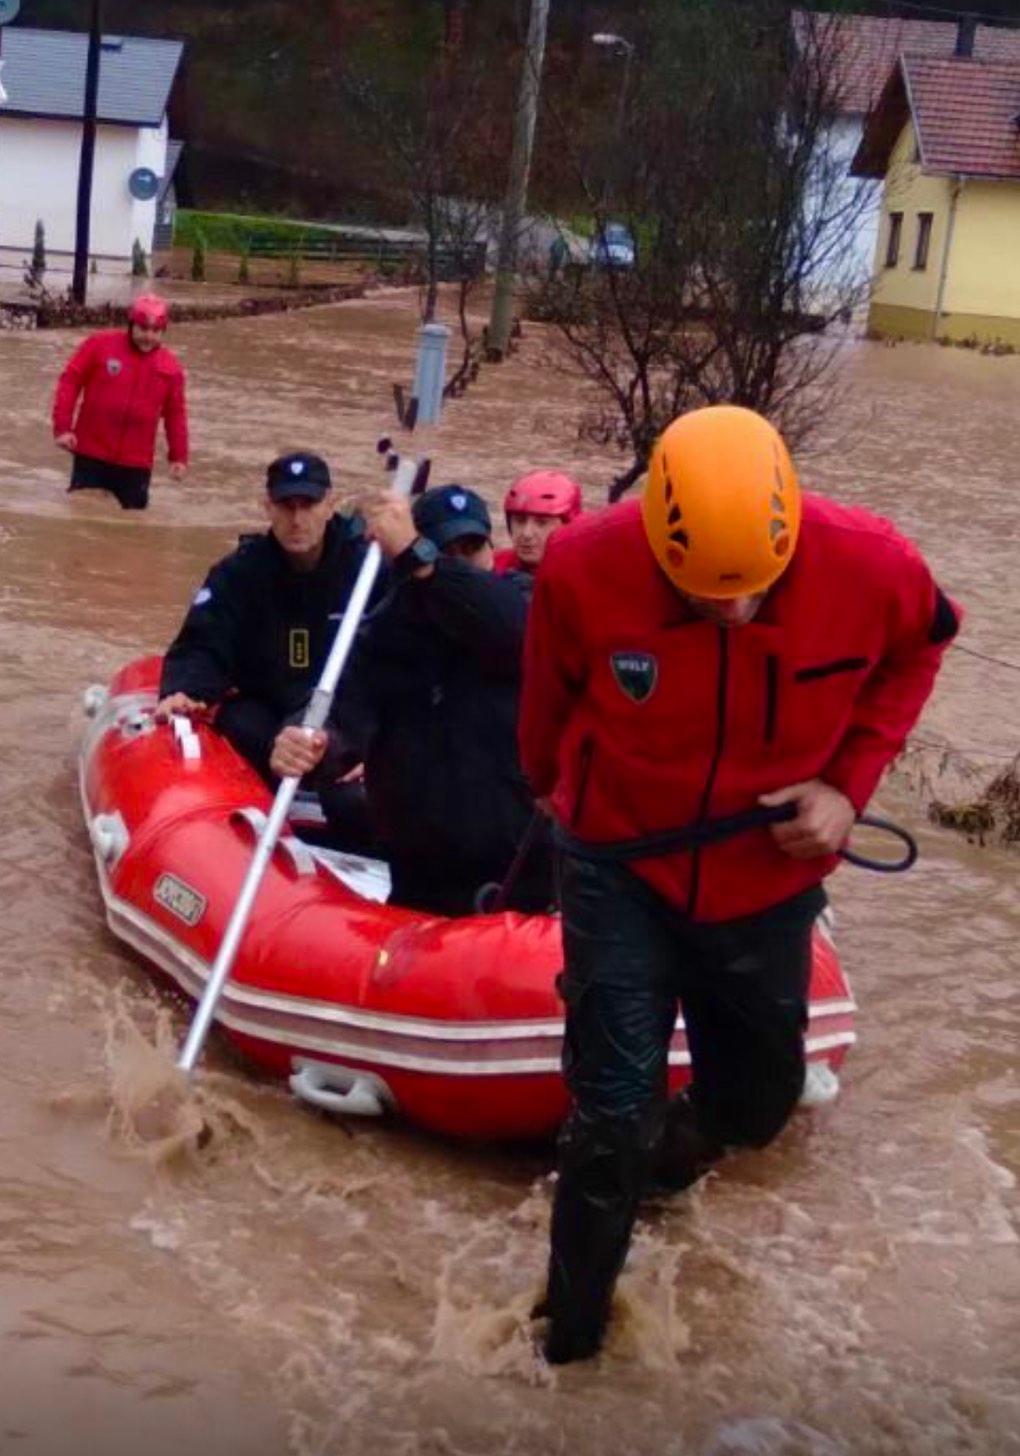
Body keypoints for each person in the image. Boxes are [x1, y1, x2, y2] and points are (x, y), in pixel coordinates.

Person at [519, 404, 960, 1365]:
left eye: (752, 595)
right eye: (705, 598)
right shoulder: (583, 566)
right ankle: (569, 1348)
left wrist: (849, 787)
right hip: (621, 862)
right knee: (608, 1118)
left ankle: (661, 1169)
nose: (731, 613)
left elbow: (922, 649)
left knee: (759, 1105)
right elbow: (546, 702)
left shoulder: (874, 565)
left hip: (768, 869)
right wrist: (548, 787)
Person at [272, 483, 551, 918]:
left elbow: (512, 627)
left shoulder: (524, 602)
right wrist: (309, 742)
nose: (460, 562)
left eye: (472, 548)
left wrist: (427, 564)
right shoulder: (387, 632)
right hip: (423, 878)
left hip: (524, 874)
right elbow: (340, 714)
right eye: (445, 551)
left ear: (491, 550)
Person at [155, 452, 375, 845]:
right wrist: (185, 688)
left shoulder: (368, 569)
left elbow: (406, 657)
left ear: (329, 505)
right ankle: (241, 840)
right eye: (285, 506)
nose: (297, 519)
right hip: (268, 713)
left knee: (354, 795)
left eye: (307, 505)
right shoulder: (239, 572)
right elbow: (204, 640)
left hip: (345, 719)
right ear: (267, 507)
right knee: (238, 726)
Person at [52, 294, 188, 510]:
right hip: (91, 453)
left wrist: (178, 457)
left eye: (155, 331)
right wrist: (62, 428)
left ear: (163, 331)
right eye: (143, 329)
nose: (148, 336)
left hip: (136, 464)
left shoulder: (171, 368)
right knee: (81, 516)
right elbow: (70, 382)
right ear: (131, 324)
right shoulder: (99, 345)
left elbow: (175, 414)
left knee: (131, 528)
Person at [495, 469, 583, 575]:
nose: (526, 533)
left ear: (568, 527)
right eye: (520, 520)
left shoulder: (583, 579)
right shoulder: (492, 566)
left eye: (542, 523)